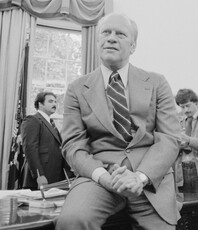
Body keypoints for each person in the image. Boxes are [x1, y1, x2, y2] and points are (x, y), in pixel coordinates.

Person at [55, 13, 181, 230]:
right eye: (106, 32)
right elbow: (73, 146)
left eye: (120, 34)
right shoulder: (77, 89)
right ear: (97, 42)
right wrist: (104, 178)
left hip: (150, 179)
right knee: (72, 221)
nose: (111, 38)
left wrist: (139, 178)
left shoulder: (157, 83)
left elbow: (169, 139)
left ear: (133, 46)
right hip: (99, 178)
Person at [20, 92, 72, 190]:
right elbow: (30, 149)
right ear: (40, 104)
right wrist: (39, 175)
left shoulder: (51, 122)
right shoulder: (32, 120)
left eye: (55, 102)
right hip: (41, 179)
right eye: (50, 101)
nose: (54, 104)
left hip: (55, 178)